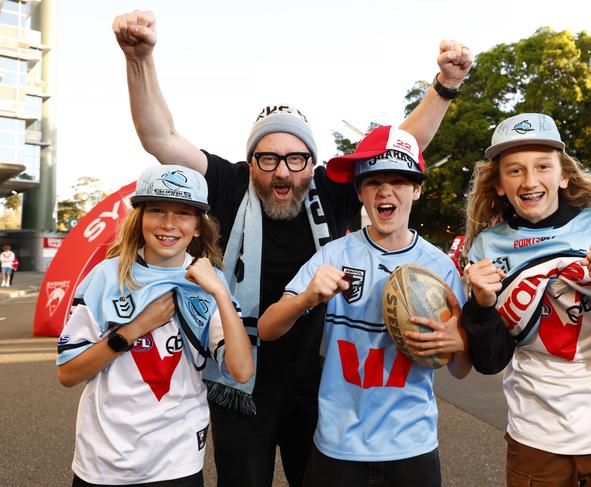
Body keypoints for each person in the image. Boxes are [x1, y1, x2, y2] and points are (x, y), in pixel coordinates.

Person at [112, 10, 473, 487]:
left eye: (296, 158)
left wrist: (446, 85)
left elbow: (401, 146)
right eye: (269, 158)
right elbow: (160, 138)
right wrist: (139, 59)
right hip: (240, 375)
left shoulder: (331, 190)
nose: (283, 172)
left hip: (319, 380)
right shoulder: (226, 183)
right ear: (250, 161)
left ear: (312, 161)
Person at [258, 125, 472, 487]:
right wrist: (308, 298)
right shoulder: (334, 254)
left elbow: (461, 370)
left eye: (399, 181)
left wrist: (460, 342)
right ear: (359, 192)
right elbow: (267, 328)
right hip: (338, 448)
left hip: (411, 447)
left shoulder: (439, 266)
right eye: (373, 181)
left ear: (417, 189)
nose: (386, 191)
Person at [461, 113, 591, 486]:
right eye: (514, 170)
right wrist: (480, 308)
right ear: (499, 185)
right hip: (535, 437)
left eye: (542, 166)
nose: (530, 181)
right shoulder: (485, 247)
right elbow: (490, 360)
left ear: (563, 176)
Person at [56, 165, 254, 487]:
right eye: (157, 210)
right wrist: (133, 330)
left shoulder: (209, 282)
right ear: (140, 218)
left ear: (198, 227)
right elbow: (68, 373)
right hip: (103, 460)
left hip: (177, 461)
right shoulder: (105, 278)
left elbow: (242, 370)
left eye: (183, 213)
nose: (168, 224)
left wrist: (218, 290)